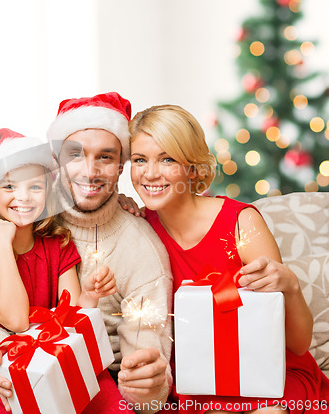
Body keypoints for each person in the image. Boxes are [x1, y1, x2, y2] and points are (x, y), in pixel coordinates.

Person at [0, 92, 174, 414]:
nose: (89, 171)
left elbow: (142, 355)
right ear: (56, 162)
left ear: (121, 166)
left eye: (105, 157)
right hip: (2, 376)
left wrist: (147, 385)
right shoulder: (23, 208)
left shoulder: (137, 247)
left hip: (87, 375)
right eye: (75, 155)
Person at [124, 103, 329, 413]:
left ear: (192, 167)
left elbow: (297, 345)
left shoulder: (240, 223)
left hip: (269, 376)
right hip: (199, 382)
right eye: (140, 160)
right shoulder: (139, 231)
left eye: (167, 159)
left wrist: (291, 287)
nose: (150, 173)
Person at [0, 128, 117, 413]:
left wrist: (89, 296)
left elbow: (71, 318)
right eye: (10, 187)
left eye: (35, 187)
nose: (23, 197)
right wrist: (2, 245)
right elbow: (16, 320)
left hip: (59, 365)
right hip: (6, 378)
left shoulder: (58, 243)